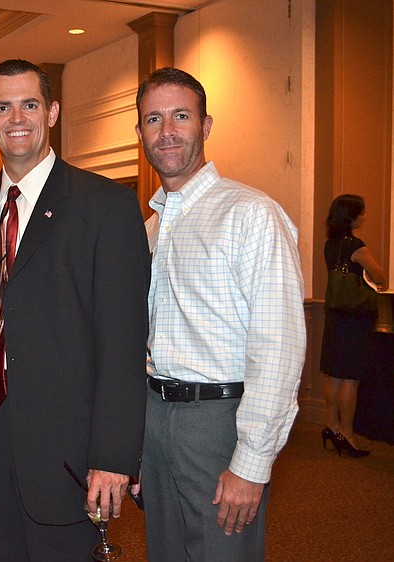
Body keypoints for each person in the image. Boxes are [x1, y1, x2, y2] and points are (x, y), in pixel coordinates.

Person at [0, 59, 150, 561]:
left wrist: (113, 456)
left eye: (29, 104)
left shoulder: (105, 205)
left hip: (67, 454)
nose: (16, 118)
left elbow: (123, 342)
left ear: (53, 112)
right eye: (2, 106)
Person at [133, 67, 306, 561]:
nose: (166, 130)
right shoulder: (151, 227)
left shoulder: (251, 214)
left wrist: (252, 461)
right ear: (140, 132)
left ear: (206, 126)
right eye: (153, 119)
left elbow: (278, 346)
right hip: (157, 417)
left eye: (181, 116)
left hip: (219, 423)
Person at [320, 194, 386, 458]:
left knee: (334, 375)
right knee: (351, 379)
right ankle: (347, 433)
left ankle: (331, 425)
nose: (365, 217)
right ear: (352, 216)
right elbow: (381, 276)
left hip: (336, 316)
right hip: (355, 317)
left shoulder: (330, 244)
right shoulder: (356, 245)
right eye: (362, 212)